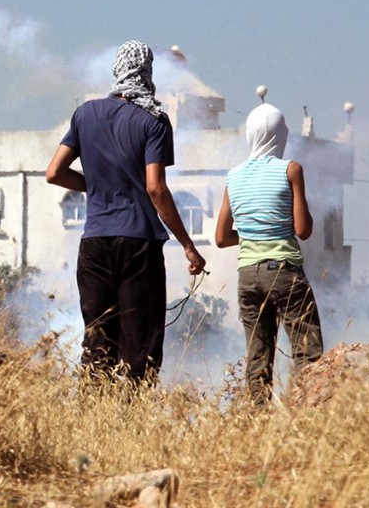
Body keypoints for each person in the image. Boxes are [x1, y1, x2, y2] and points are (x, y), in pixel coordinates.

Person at [46, 40, 206, 382]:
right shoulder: (154, 120)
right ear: (147, 72)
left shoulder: (84, 114)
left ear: (116, 70)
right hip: (139, 245)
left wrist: (98, 185)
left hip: (94, 244)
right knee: (140, 344)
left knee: (98, 339)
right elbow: (155, 188)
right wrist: (189, 246)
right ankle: (131, 417)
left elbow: (54, 172)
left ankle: (94, 417)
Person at [215, 103, 323, 405]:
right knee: (307, 349)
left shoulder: (233, 177)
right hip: (284, 271)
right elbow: (303, 229)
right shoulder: (291, 169)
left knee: (258, 354)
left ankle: (257, 422)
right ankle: (310, 417)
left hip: (248, 275)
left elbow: (221, 238)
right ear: (282, 135)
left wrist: (252, 235)